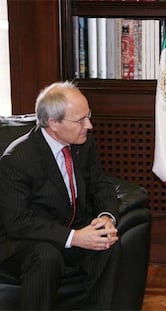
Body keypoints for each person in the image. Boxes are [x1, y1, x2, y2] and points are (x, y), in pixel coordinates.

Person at [0, 81, 121, 310]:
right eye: (80, 120)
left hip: (70, 230)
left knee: (107, 245)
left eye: (89, 116)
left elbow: (101, 184)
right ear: (53, 123)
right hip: (25, 240)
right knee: (46, 257)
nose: (90, 125)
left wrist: (106, 217)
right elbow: (17, 222)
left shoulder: (83, 144)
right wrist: (73, 237)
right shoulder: (17, 159)